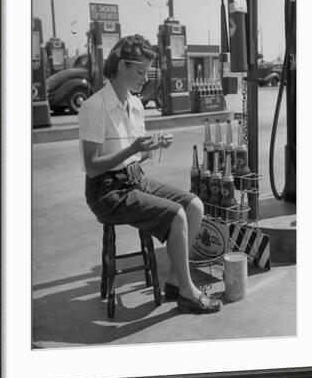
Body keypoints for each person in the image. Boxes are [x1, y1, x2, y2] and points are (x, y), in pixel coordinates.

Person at [78, 34, 221, 314]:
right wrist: (132, 147)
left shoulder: (135, 104)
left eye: (147, 72)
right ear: (121, 67)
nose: (145, 78)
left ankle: (174, 282)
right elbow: (93, 166)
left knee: (194, 206)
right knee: (177, 214)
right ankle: (188, 292)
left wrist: (152, 146)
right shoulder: (94, 107)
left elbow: (136, 154)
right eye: (141, 71)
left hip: (134, 179)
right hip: (107, 191)